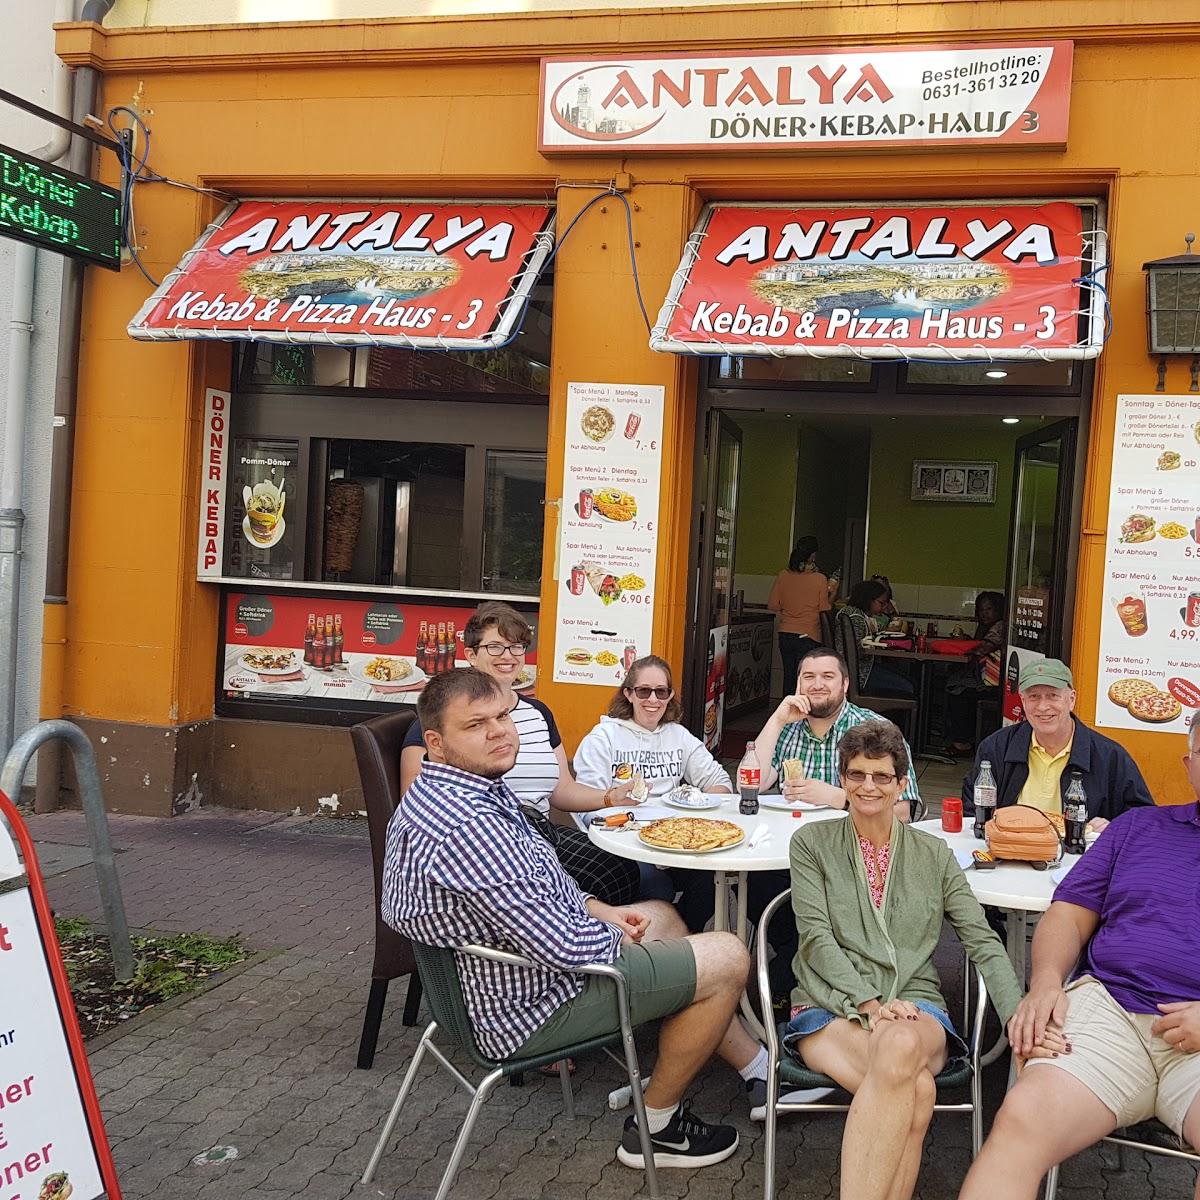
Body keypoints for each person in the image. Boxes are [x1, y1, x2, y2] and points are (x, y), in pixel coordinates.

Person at [382, 668, 773, 1168]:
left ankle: (758, 1067)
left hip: (507, 977)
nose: (500, 730)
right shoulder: (467, 826)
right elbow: (568, 947)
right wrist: (618, 936)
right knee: (727, 954)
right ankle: (657, 1128)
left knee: (664, 919)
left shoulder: (463, 792)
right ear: (435, 743)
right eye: (476, 724)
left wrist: (601, 908)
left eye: (503, 715)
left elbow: (539, 886)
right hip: (531, 1006)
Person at [785, 720, 1039, 1200]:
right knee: (918, 1091)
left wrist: (1017, 1020)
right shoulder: (812, 844)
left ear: (902, 783)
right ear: (842, 779)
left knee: (901, 1042)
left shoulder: (933, 853)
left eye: (882, 777)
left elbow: (982, 940)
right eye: (857, 774)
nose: (868, 786)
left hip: (919, 1006)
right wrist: (869, 1002)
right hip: (831, 1004)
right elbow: (815, 939)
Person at [959, 718, 1200, 1200]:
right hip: (1108, 1013)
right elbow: (1068, 915)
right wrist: (1046, 981)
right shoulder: (1137, 827)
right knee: (1021, 1120)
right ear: (1190, 764)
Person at [402, 602, 644, 906]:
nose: (508, 656)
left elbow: (562, 789)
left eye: (516, 647)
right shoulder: (444, 723)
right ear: (471, 655)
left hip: (542, 834)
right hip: (489, 844)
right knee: (605, 876)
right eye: (495, 647)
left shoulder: (539, 712)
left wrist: (612, 797)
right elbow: (417, 804)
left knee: (621, 865)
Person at [960, 658, 1152, 831]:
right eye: (1034, 696)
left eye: (1053, 695)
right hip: (1009, 853)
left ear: (1071, 700)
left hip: (1079, 860)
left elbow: (1146, 819)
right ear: (1023, 702)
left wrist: (1113, 827)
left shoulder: (1109, 756)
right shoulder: (995, 748)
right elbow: (971, 809)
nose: (1043, 707)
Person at [573, 655, 733, 798]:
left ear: (670, 696)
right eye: (643, 691)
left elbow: (721, 783)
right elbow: (587, 802)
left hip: (671, 828)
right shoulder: (603, 737)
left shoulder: (679, 735)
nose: (653, 699)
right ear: (628, 694)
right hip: (619, 825)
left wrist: (698, 810)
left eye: (661, 692)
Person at [767, 535, 837, 692]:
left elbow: (772, 605)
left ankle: (788, 714)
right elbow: (824, 608)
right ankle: (803, 715)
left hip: (785, 633)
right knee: (805, 680)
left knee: (789, 678)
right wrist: (833, 592)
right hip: (809, 636)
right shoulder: (820, 579)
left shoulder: (783, 576)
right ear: (812, 557)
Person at [945, 590, 1007, 754]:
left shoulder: (999, 627)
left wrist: (965, 644)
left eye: (989, 609)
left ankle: (962, 742)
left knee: (958, 690)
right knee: (954, 681)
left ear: (999, 609)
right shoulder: (986, 627)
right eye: (981, 610)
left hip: (993, 683)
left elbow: (983, 649)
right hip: (983, 678)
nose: (984, 613)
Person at [835, 579, 916, 699]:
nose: (883, 607)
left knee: (908, 679)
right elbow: (856, 650)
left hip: (858, 669)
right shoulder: (855, 617)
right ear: (868, 600)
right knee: (908, 687)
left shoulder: (852, 613)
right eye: (881, 603)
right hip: (860, 674)